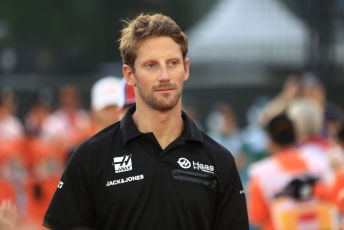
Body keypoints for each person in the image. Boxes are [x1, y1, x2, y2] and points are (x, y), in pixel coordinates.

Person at [43, 13, 248, 230]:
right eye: (151, 65)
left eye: (173, 63)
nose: (164, 76)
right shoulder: (91, 156)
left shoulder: (219, 160)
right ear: (129, 74)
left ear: (185, 69)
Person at [248, 114, 337, 230]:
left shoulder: (259, 173)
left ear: (270, 141)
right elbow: (333, 200)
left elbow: (256, 217)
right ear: (297, 136)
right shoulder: (320, 164)